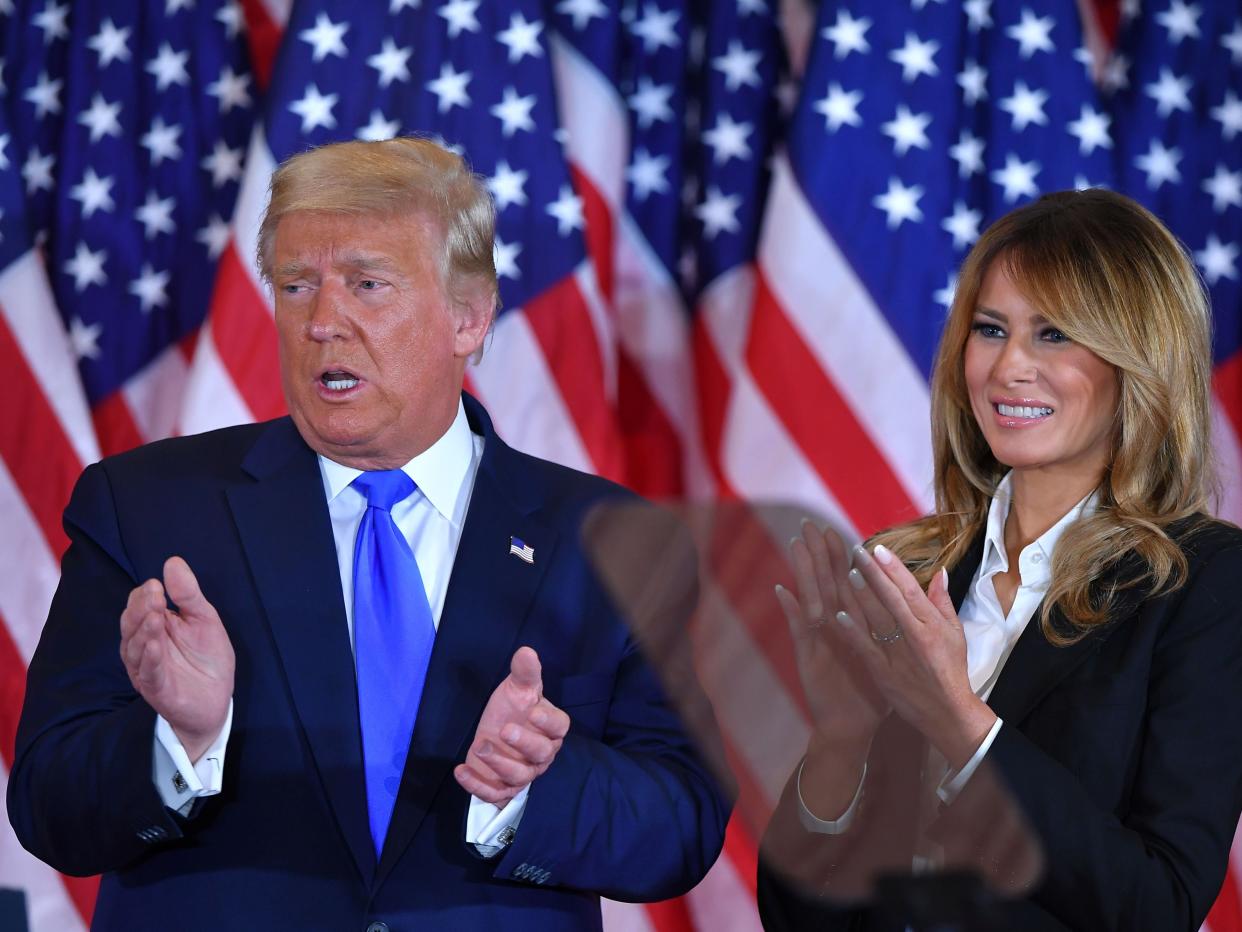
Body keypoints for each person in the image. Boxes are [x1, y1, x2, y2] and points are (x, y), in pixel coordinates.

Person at [8, 137, 729, 931]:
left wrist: (532, 786)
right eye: (295, 285)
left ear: (469, 315)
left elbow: (683, 825)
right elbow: (47, 803)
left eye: (367, 285)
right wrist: (179, 740)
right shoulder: (147, 509)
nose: (322, 322)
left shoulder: (612, 541)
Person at [757, 189, 1242, 931]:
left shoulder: (1204, 582)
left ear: (1137, 357)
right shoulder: (904, 569)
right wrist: (840, 739)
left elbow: (1159, 904)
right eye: (991, 329)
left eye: (1053, 334)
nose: (1010, 366)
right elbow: (794, 915)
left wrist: (960, 724)